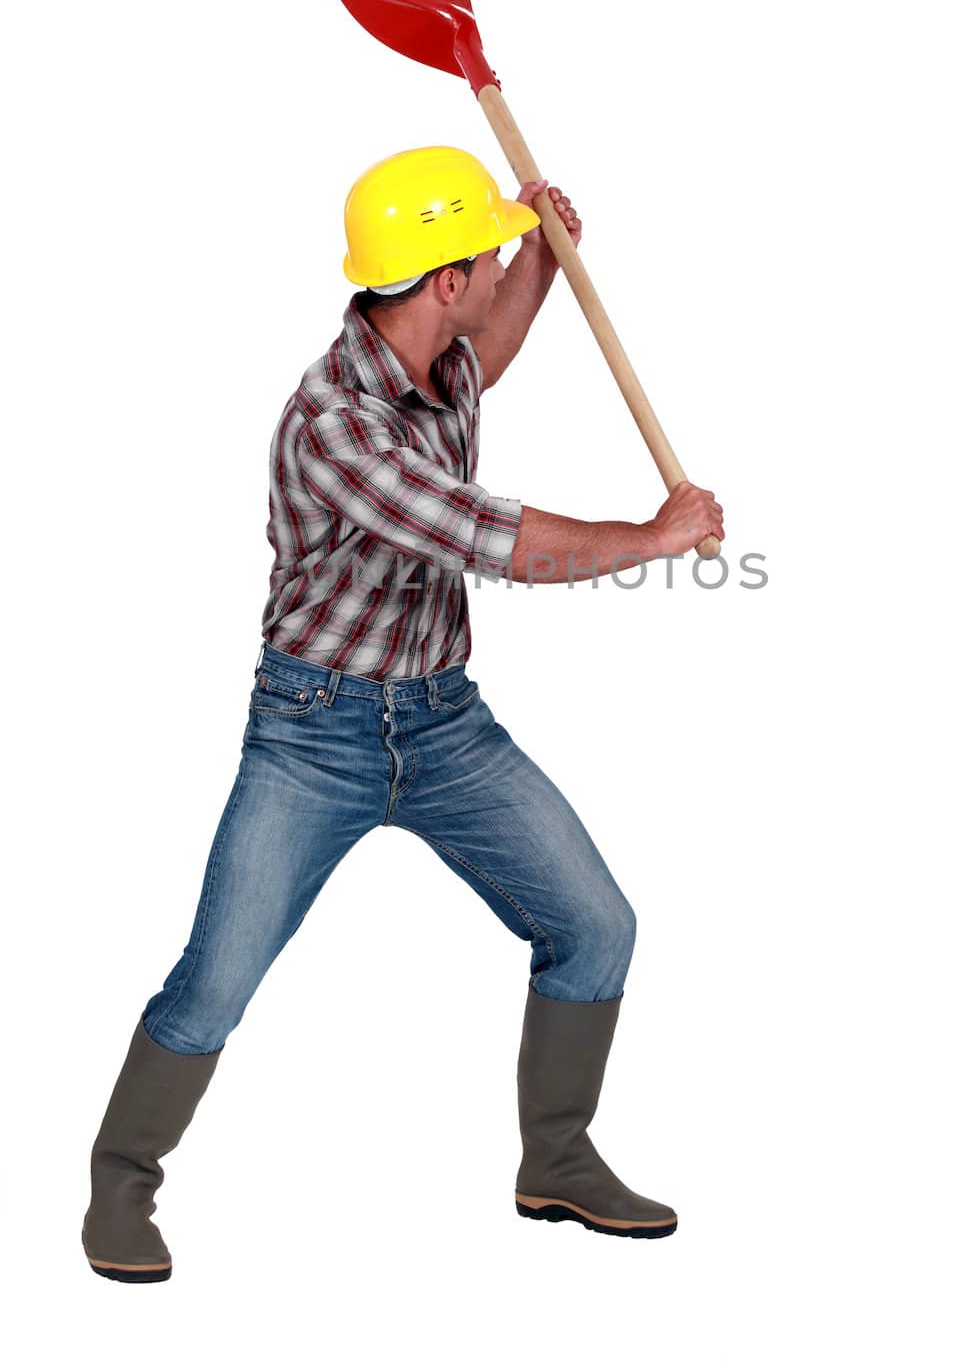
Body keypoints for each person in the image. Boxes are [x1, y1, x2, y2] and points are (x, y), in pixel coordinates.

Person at [81, 145, 725, 1280]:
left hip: (442, 725)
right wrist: (651, 537)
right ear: (439, 282)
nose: (484, 272)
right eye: (475, 257)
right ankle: (121, 1187)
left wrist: (535, 249)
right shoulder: (335, 425)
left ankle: (556, 1162)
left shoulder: (441, 359)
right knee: (215, 977)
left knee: (595, 926)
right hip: (313, 732)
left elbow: (495, 345)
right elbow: (503, 546)